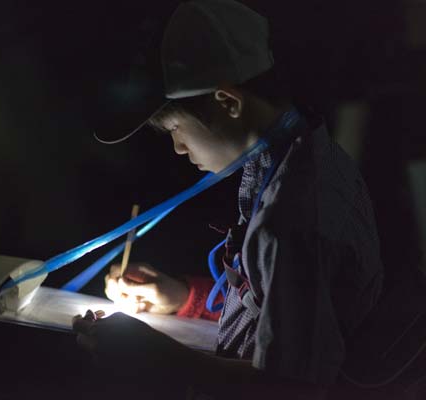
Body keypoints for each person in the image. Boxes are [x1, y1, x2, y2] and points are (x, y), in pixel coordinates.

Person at [72, 0, 383, 398]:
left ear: (228, 102)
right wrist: (188, 298)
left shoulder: (293, 218)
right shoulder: (299, 156)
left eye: (175, 129)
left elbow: (293, 389)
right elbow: (288, 311)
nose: (178, 149)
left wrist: (159, 358)